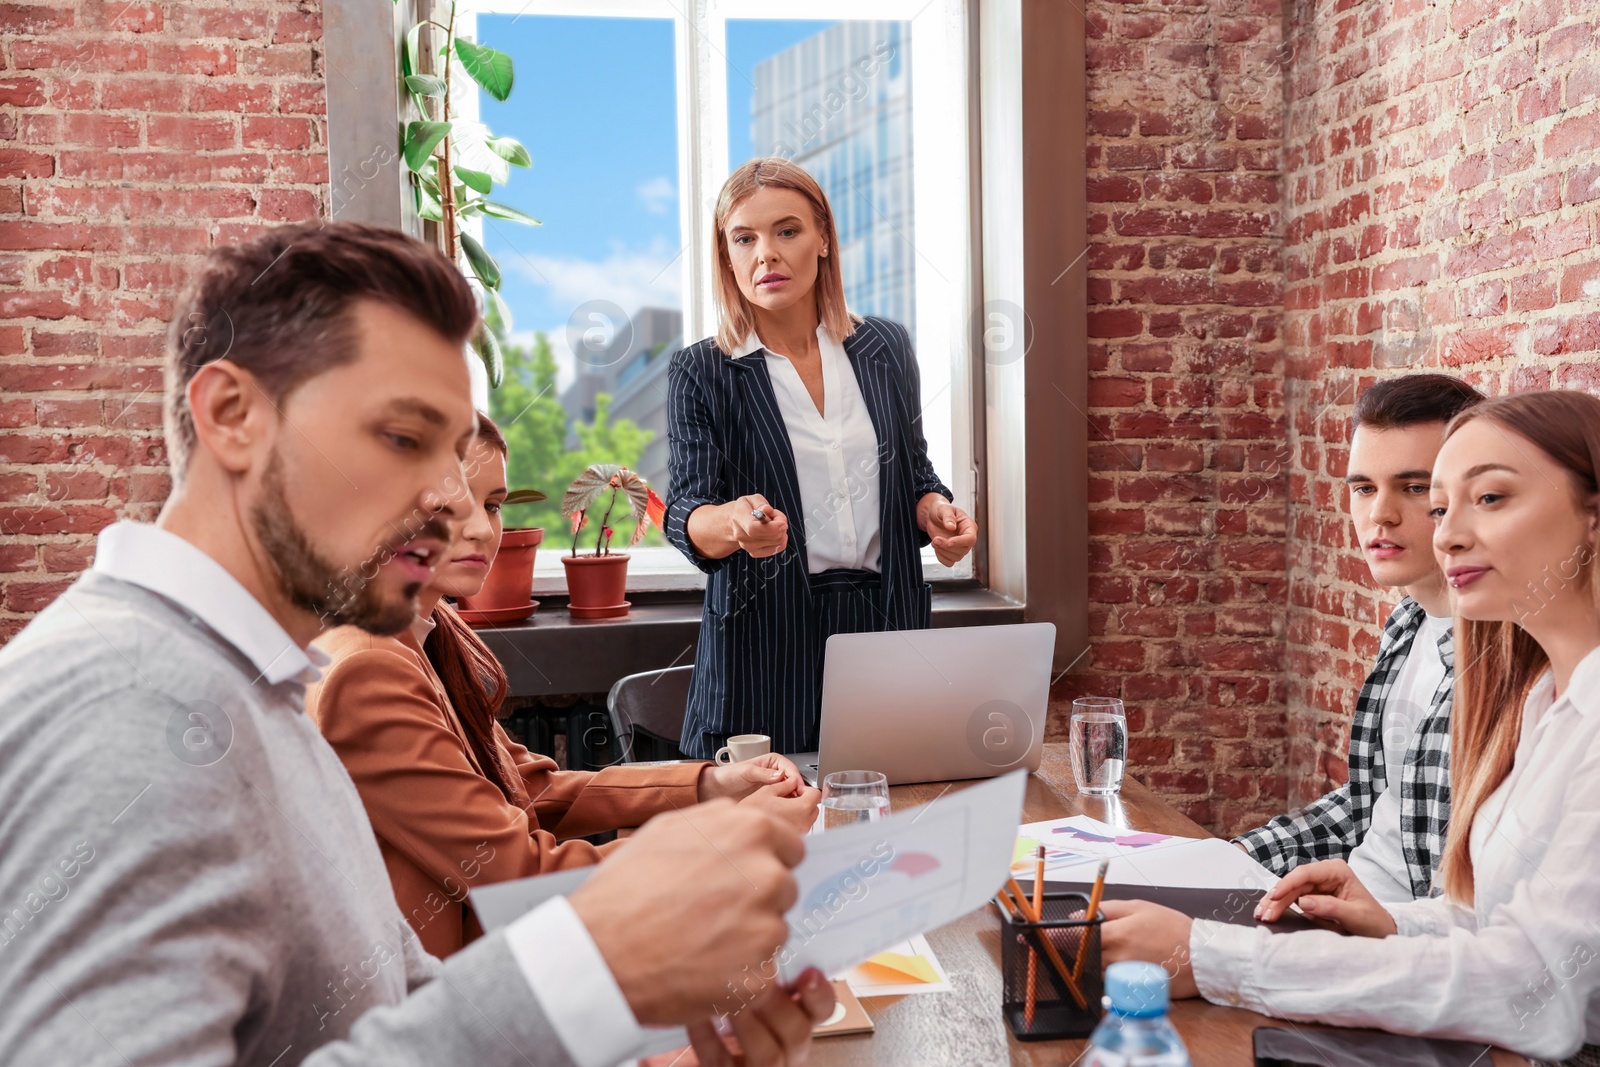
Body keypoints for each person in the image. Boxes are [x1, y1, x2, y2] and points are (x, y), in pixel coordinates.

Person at [0, 222, 833, 1066]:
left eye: (451, 455)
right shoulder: (126, 708)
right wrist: (587, 961)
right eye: (404, 439)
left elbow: (392, 1015)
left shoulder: (265, 695)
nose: (448, 503)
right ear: (232, 415)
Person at [1101, 390, 1600, 1063]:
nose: (1446, 533)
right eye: (1444, 506)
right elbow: (1490, 920)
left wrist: (1209, 955)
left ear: (1592, 516)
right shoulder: (1545, 701)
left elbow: (1530, 981)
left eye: (1489, 498)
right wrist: (1396, 920)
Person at [309, 410, 821, 959]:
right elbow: (520, 873)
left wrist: (711, 787)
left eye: (491, 504)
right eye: (445, 506)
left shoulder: (430, 632)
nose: (482, 529)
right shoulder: (367, 671)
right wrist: (727, 841)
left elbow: (530, 791)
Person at [665, 156, 978, 758]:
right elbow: (684, 512)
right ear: (727, 256)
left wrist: (937, 511)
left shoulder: (885, 347)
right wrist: (732, 522)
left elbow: (914, 475)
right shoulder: (702, 370)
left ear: (824, 238)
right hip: (765, 639)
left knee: (895, 822)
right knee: (772, 837)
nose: (766, 255)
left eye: (787, 231)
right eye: (744, 238)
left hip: (885, 623)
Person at [1234, 374, 1484, 900]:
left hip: (1412, 954)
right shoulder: (1406, 626)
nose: (1380, 515)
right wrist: (1224, 861)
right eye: (1364, 488)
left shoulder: (1506, 662)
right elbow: (1365, 806)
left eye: (1414, 488)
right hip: (1358, 923)